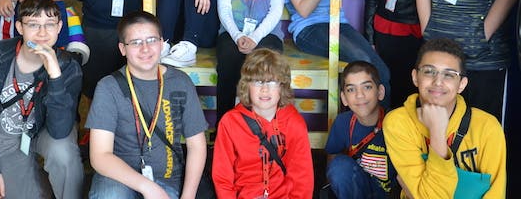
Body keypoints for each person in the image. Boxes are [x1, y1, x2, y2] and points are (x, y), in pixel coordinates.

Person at [86, 11, 208, 199]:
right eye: (135, 42)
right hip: (118, 178)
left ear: (162, 43)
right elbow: (100, 156)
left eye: (151, 40)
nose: (145, 49)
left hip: (167, 178)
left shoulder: (181, 82)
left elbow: (197, 146)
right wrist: (147, 187)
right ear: (122, 49)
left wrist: (188, 196)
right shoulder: (108, 87)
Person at [0, 0, 84, 199]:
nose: (42, 33)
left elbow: (59, 130)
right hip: (7, 133)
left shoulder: (68, 67)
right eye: (33, 24)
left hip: (46, 130)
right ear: (20, 27)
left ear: (59, 27)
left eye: (50, 24)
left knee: (63, 152)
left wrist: (55, 75)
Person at [383, 38, 506, 198]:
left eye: (449, 75)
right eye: (429, 71)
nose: (438, 82)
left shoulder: (487, 127)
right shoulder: (398, 123)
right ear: (415, 77)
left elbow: (496, 193)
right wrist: (437, 132)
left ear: (461, 84)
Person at [212, 48, 314, 198]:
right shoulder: (230, 123)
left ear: (282, 87)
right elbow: (222, 178)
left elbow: (302, 178)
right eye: (258, 81)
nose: (265, 89)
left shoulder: (294, 122)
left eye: (272, 82)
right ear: (246, 85)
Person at [325, 61, 396, 198]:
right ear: (344, 98)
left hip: (391, 193)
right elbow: (332, 166)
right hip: (358, 190)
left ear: (380, 92)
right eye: (351, 89)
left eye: (367, 87)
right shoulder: (342, 122)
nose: (359, 95)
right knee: (339, 166)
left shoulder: (396, 122)